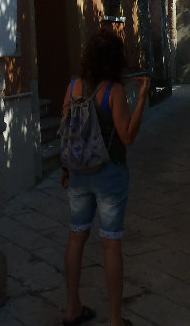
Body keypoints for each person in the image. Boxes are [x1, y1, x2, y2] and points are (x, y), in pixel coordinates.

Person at [61, 27, 150, 326]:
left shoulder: (73, 86)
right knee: (110, 243)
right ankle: (115, 320)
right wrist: (141, 101)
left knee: (76, 237)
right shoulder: (114, 92)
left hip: (77, 173)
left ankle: (72, 307)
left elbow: (66, 131)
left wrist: (65, 168)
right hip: (109, 174)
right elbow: (127, 137)